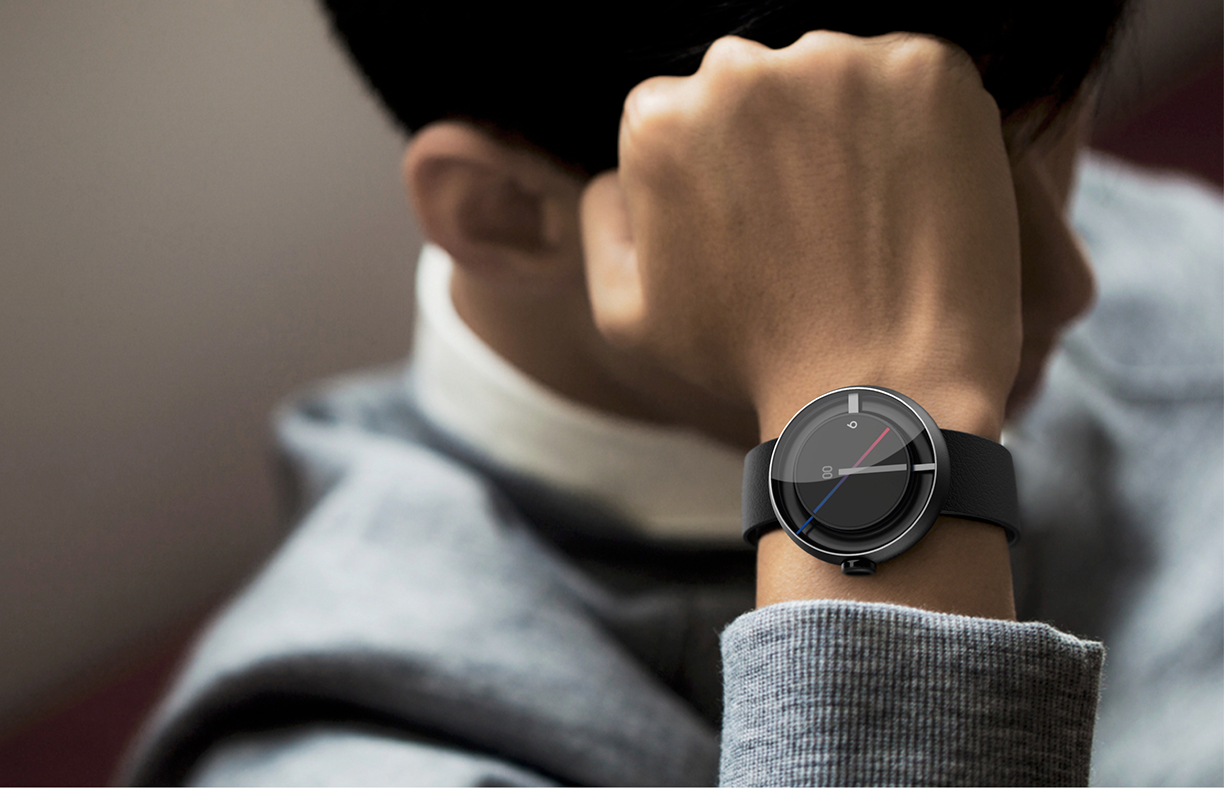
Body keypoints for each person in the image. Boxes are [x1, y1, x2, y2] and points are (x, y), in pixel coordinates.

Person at [122, 2, 1223, 785]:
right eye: (927, 185)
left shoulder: (1162, 257)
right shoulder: (355, 752)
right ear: (505, 214)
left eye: (1043, 134)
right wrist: (882, 419)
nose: (1073, 284)